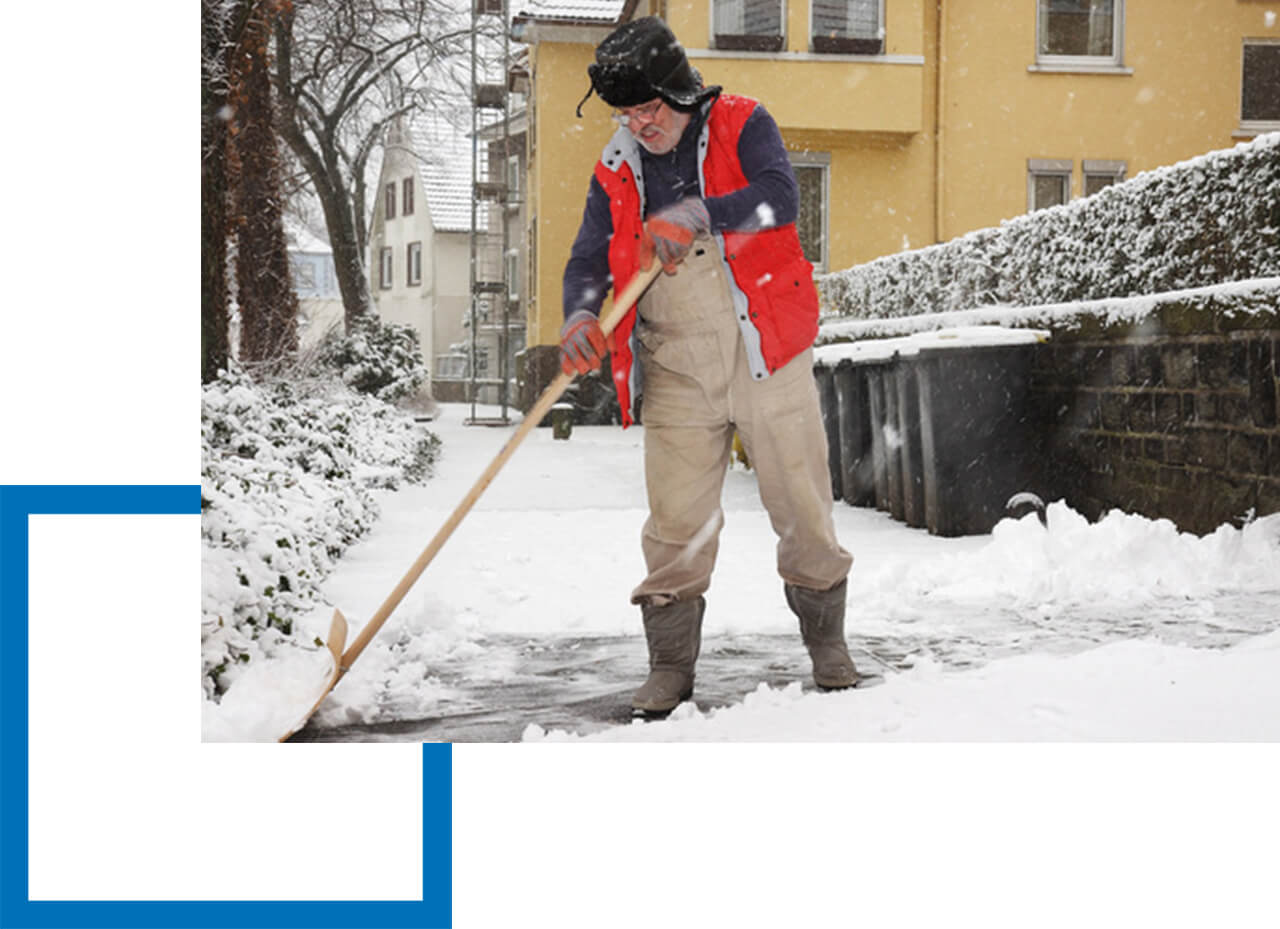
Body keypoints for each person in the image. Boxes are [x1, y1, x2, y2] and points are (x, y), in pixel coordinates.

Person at [559, 16, 859, 716]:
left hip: (767, 349)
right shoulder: (615, 168)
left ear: (680, 90)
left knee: (802, 502)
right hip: (677, 363)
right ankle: (670, 667)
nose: (639, 124)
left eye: (649, 107)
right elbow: (586, 253)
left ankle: (828, 648)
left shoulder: (744, 123)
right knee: (675, 521)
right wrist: (580, 314)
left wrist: (697, 212)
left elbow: (780, 198)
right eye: (626, 113)